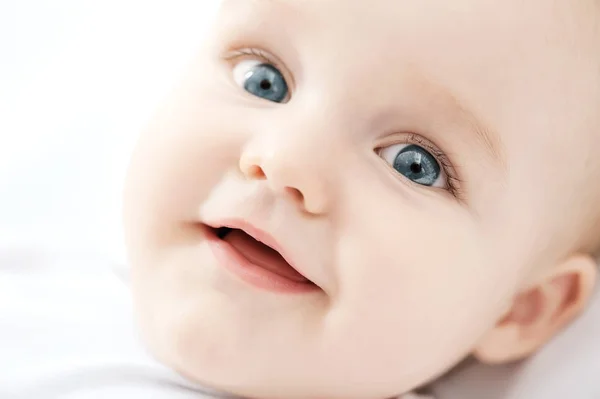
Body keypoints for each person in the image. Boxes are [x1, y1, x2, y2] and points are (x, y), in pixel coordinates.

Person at [3, 0, 600, 398]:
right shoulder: (29, 291)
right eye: (264, 80)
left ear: (522, 308)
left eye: (414, 165)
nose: (285, 159)